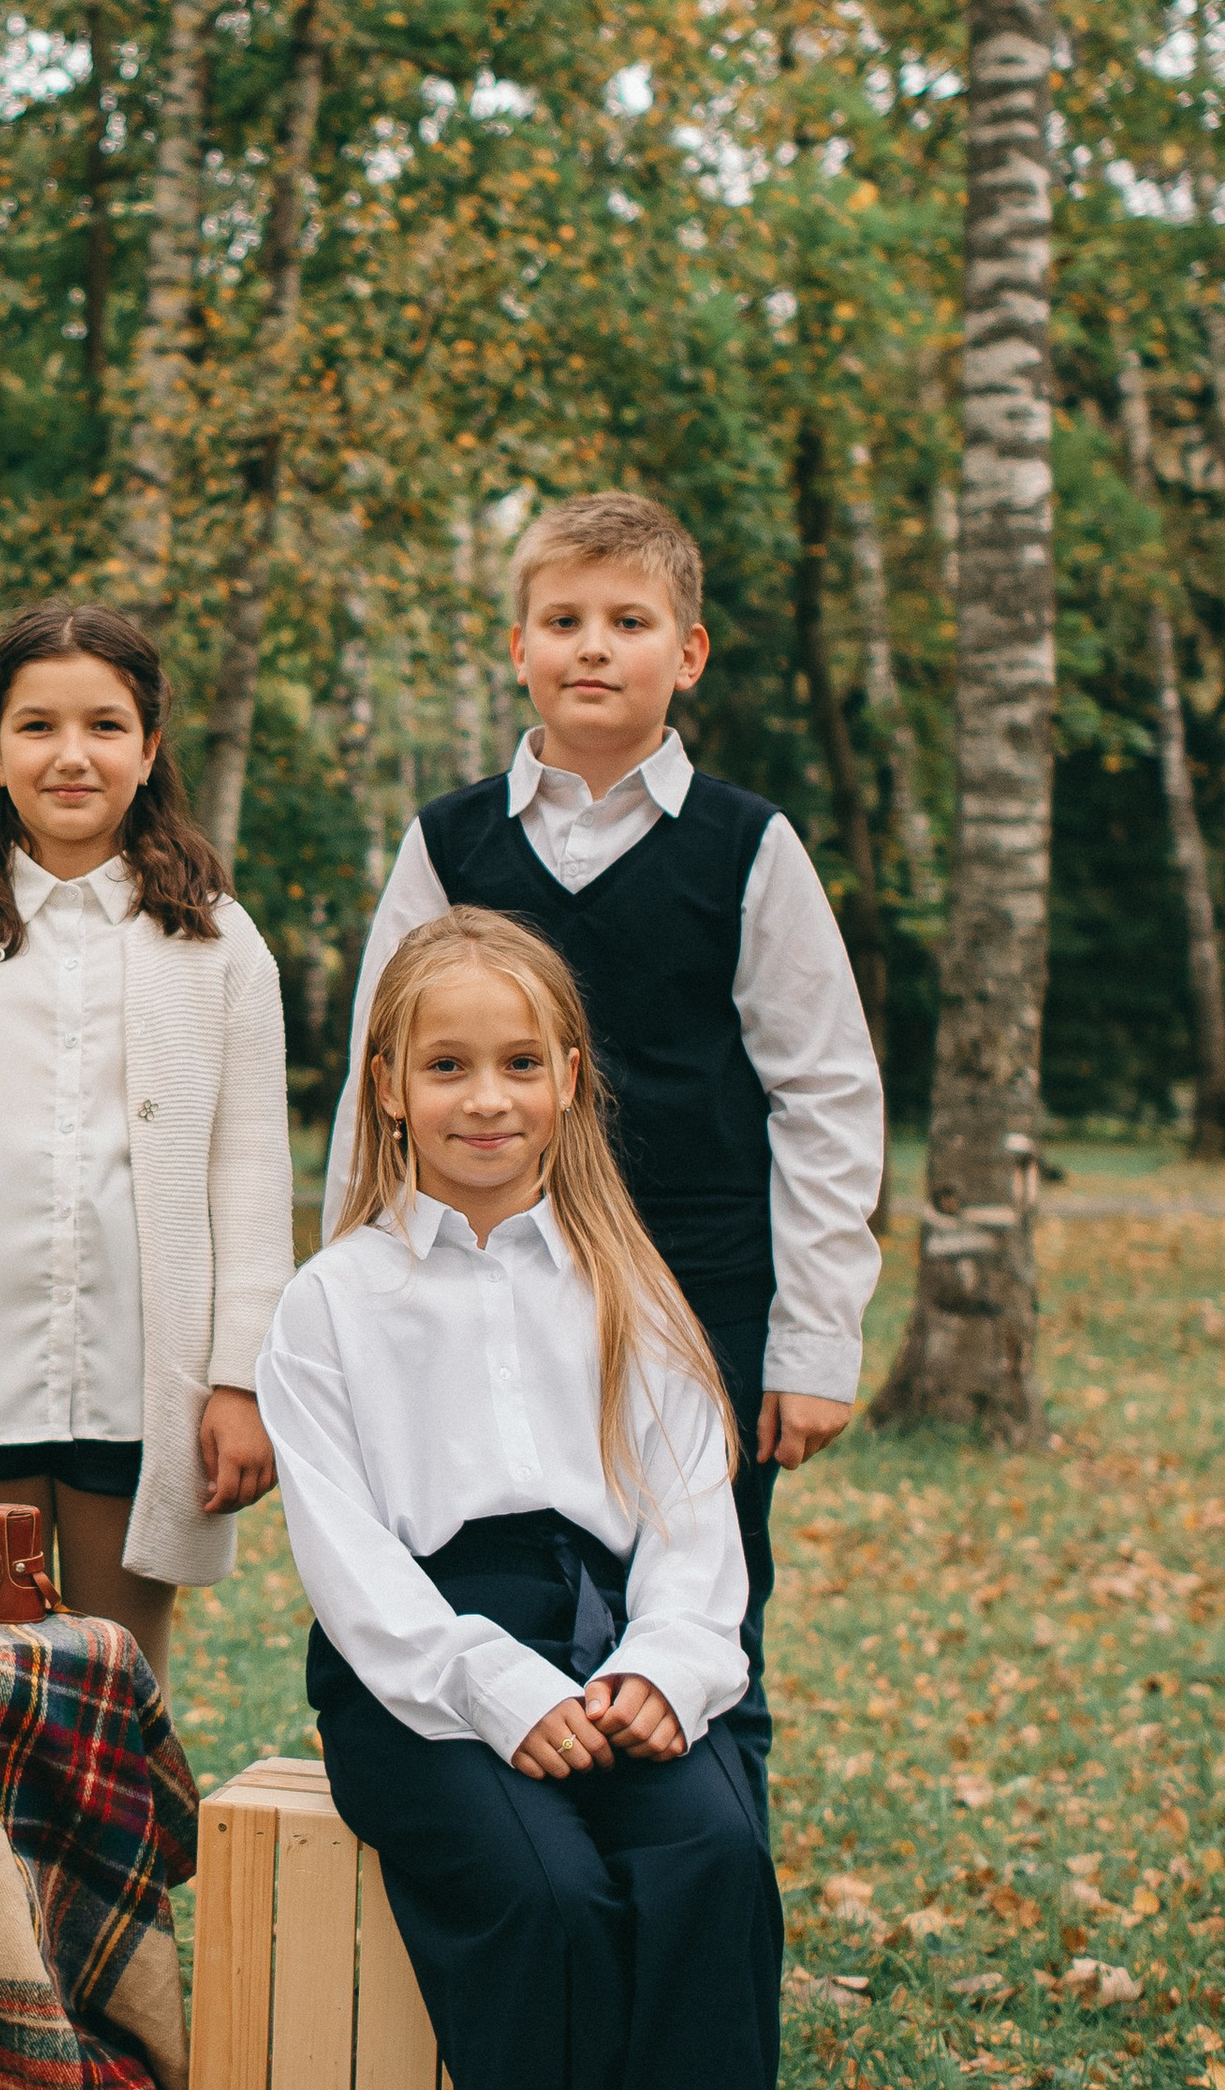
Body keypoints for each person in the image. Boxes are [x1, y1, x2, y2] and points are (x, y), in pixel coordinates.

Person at [261, 904, 881, 2090]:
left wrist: (673, 1670)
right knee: (546, 1901)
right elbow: (351, 1563)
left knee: (708, 1859)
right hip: (423, 1670)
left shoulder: (628, 1284)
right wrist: (497, 1692)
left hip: (617, 1642)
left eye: (519, 1063)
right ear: (387, 1089)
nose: (485, 1096)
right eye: (446, 1064)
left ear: (569, 1082)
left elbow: (692, 1523)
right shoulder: (333, 1303)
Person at [323, 492, 882, 1798]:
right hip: (482, 1281)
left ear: (685, 652)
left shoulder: (750, 846)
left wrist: (813, 1341)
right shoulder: (448, 841)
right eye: (563, 619)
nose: (593, 645)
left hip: (700, 1285)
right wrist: (367, 1291)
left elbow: (827, 1094)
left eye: (628, 621)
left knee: (704, 1612)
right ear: (518, 644)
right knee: (511, 1572)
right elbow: (377, 1080)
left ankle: (706, 1868)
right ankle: (541, 1862)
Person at [0, 599, 294, 1696]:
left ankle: (114, 1873)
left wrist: (241, 1379)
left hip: (143, 1380)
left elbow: (249, 1169)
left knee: (120, 1689)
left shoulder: (219, 943)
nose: (71, 755)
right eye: (37, 726)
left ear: (149, 746)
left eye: (104, 726)